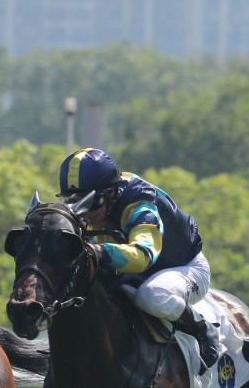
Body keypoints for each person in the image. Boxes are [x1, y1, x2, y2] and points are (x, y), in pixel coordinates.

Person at [57, 147, 220, 371]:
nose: (85, 212)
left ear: (111, 194)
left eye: (92, 203)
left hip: (185, 267)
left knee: (152, 296)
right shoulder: (98, 204)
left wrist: (97, 251)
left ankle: (203, 329)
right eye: (75, 203)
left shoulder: (138, 203)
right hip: (136, 274)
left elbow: (143, 255)